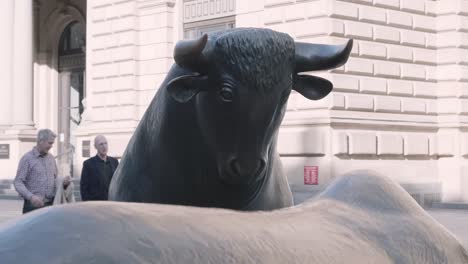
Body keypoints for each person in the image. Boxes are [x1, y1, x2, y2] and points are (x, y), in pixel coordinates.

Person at [14, 129, 71, 214]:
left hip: (50, 206)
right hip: (32, 207)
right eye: (50, 143)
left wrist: (63, 182)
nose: (51, 146)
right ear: (40, 141)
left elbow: (55, 179)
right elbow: (18, 182)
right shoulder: (27, 158)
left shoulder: (51, 158)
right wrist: (31, 197)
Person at [80, 135, 119, 201]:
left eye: (105, 143)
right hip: (96, 204)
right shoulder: (88, 164)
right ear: (95, 147)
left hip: (112, 203)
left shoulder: (114, 162)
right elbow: (84, 188)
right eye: (101, 144)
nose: (104, 146)